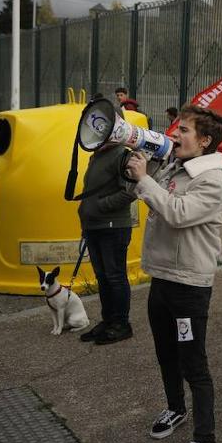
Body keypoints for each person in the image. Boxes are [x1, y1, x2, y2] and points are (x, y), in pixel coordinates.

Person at [125, 105, 222, 443]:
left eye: (184, 130)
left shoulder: (212, 180)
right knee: (165, 352)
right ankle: (175, 408)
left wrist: (145, 179)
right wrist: (137, 167)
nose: (174, 134)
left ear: (205, 140)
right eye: (176, 128)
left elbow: (177, 212)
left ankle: (206, 441)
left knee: (193, 363)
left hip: (188, 285)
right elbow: (143, 192)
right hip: (162, 277)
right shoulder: (175, 166)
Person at [77, 136, 137, 346]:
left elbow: (131, 191)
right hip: (94, 227)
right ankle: (109, 321)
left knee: (115, 277)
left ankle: (121, 324)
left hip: (113, 227)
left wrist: (101, 206)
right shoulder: (97, 155)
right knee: (103, 277)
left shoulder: (122, 155)